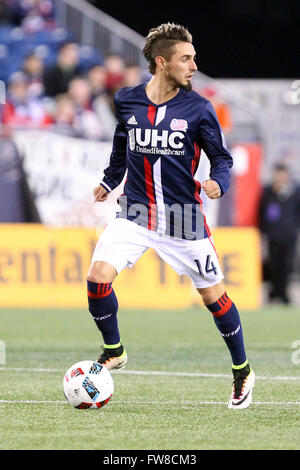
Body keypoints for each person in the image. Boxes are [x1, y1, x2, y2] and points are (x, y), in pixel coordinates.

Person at [87, 23, 255, 409]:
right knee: (97, 278)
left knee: (214, 298)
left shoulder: (199, 108)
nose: (194, 65)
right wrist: (110, 180)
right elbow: (120, 143)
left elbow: (223, 159)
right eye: (186, 58)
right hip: (134, 210)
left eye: (193, 57)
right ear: (162, 63)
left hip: (183, 218)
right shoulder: (127, 100)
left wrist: (218, 182)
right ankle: (114, 350)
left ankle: (242, 370)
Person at [259, 163, 300, 304]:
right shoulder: (268, 192)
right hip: (273, 236)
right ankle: (275, 293)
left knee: (287, 266)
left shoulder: (295, 191)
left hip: (289, 235)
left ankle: (283, 293)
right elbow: (262, 213)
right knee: (274, 265)